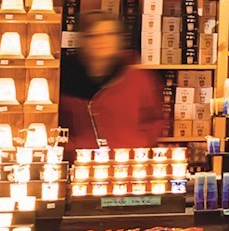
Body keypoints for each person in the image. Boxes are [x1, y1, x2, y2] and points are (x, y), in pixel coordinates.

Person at [59, 9, 169, 150]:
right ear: (83, 40)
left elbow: (155, 120)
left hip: (127, 159)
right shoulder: (65, 79)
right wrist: (72, 147)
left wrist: (138, 142)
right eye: (93, 36)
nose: (102, 41)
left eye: (109, 34)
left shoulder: (138, 79)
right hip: (79, 160)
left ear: (118, 39)